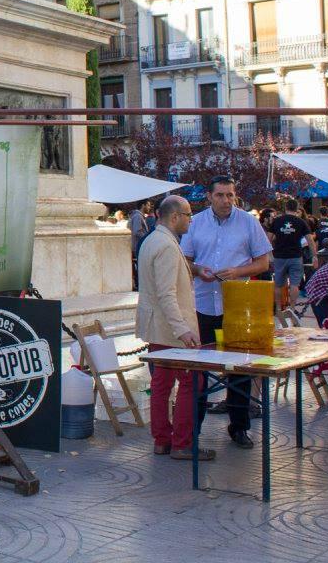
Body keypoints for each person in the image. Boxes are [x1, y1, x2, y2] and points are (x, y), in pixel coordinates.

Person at [180, 175, 272, 450]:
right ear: (209, 196)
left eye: (230, 195)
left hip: (237, 304)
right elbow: (185, 259)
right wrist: (199, 270)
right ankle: (193, 428)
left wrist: (238, 272)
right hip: (204, 303)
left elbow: (263, 262)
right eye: (220, 195)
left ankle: (239, 426)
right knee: (199, 369)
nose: (225, 201)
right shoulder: (196, 223)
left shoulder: (248, 222)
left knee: (239, 369)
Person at [136, 195, 210, 460]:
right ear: (175, 216)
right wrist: (183, 330)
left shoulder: (153, 240)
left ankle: (162, 440)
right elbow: (166, 293)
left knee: (161, 383)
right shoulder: (166, 245)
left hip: (158, 326)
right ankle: (181, 443)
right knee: (193, 382)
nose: (191, 219)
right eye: (189, 214)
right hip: (170, 329)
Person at [269, 199, 316, 311]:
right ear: (297, 208)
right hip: (295, 256)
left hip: (279, 256)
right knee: (295, 283)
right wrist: (314, 255)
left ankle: (279, 308)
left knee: (278, 284)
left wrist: (269, 255)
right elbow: (310, 240)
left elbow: (268, 239)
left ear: (286, 208)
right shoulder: (301, 222)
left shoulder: (277, 221)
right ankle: (292, 307)